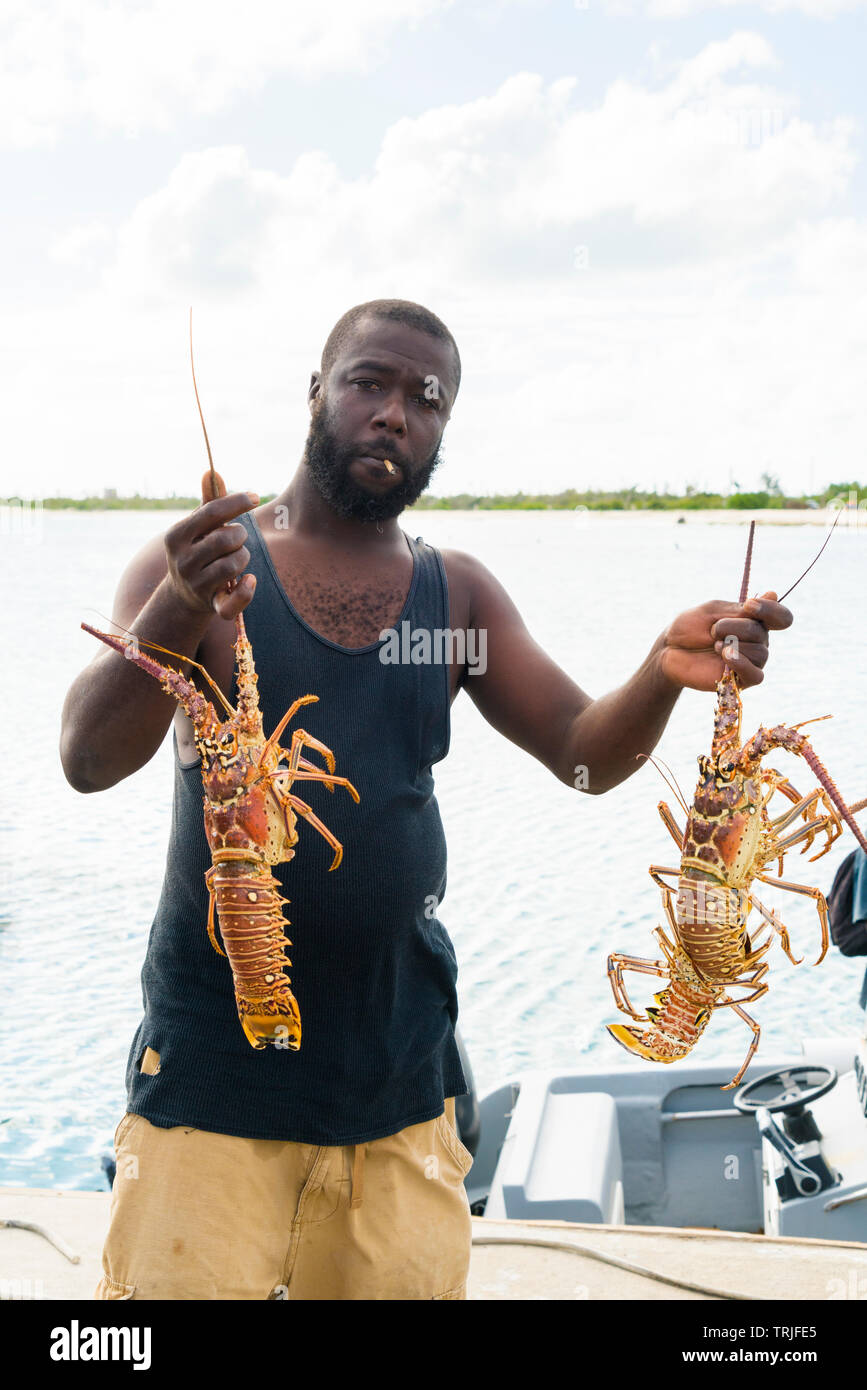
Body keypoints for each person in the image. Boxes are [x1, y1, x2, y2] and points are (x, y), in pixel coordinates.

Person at [60, 298, 792, 1300]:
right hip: (210, 1095)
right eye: (370, 380)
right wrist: (179, 606)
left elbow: (583, 757)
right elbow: (89, 761)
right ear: (317, 392)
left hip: (401, 1089)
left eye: (428, 398)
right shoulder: (195, 571)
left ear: (445, 430)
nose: (396, 413)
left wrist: (664, 672)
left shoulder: (458, 601)